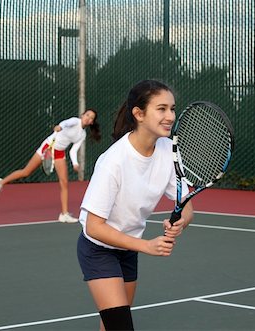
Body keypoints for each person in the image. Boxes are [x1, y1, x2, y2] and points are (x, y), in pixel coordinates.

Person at [77, 80, 194, 331]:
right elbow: (93, 226)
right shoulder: (113, 161)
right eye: (161, 109)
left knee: (112, 326)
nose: (170, 116)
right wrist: (146, 245)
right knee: (120, 326)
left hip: (127, 249)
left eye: (172, 109)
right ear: (139, 114)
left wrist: (182, 222)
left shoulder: (169, 151)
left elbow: (186, 204)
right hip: (99, 249)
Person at [0, 109, 101, 223]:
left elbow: (73, 151)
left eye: (91, 118)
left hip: (59, 152)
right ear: (82, 115)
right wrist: (60, 127)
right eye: (87, 115)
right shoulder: (74, 121)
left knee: (64, 182)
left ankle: (64, 214)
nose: (88, 118)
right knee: (26, 172)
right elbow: (65, 123)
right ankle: (0, 183)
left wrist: (75, 163)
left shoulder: (82, 135)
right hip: (48, 147)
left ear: (91, 122)